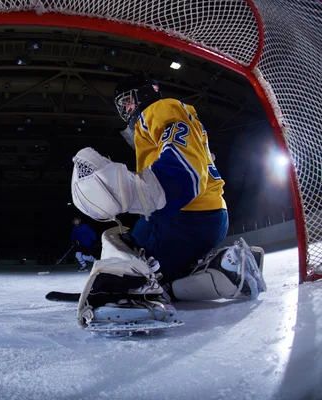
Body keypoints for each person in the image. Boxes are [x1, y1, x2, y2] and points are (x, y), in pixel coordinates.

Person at [71, 75, 265, 309]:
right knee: (142, 253)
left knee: (125, 257)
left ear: (145, 94)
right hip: (204, 215)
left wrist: (139, 192)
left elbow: (187, 171)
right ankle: (220, 268)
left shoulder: (158, 110)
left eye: (128, 101)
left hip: (184, 218)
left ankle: (141, 290)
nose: (126, 109)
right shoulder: (159, 122)